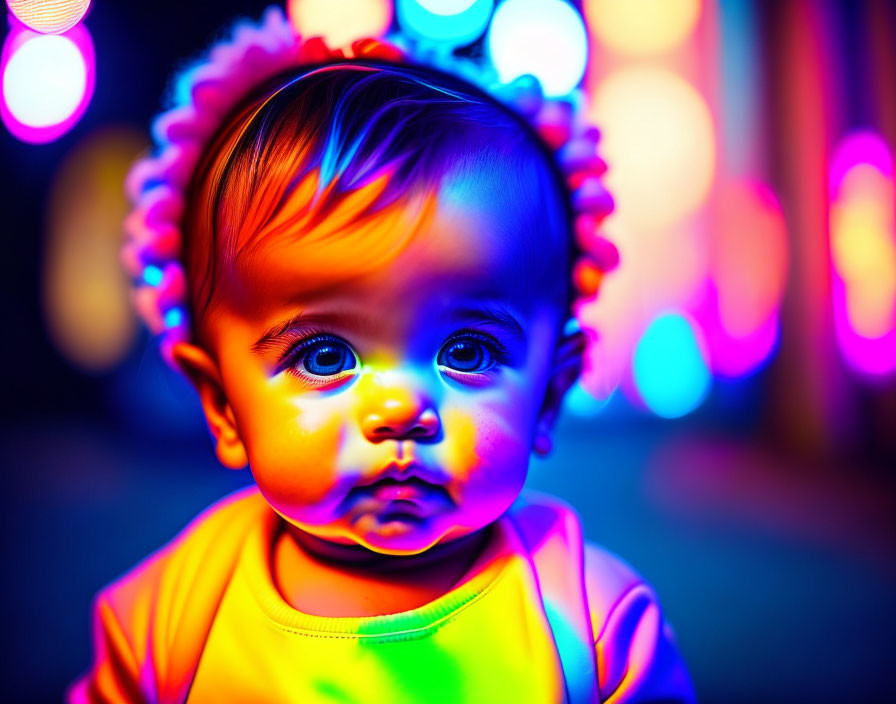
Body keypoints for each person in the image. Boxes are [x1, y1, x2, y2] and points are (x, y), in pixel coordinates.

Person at [68, 6, 695, 703]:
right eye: (326, 357)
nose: (401, 409)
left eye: (468, 350)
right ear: (223, 406)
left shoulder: (591, 623)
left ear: (549, 395)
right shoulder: (167, 618)